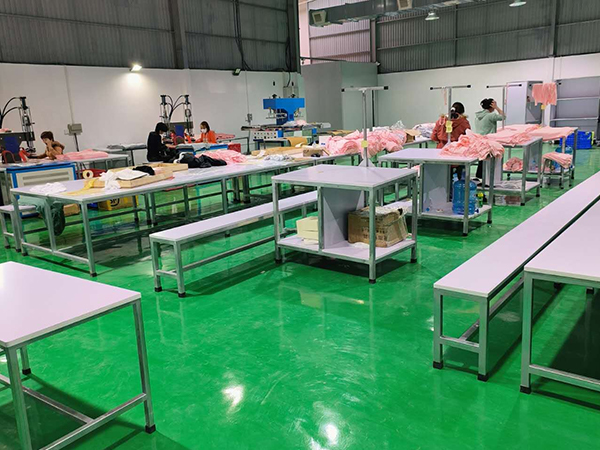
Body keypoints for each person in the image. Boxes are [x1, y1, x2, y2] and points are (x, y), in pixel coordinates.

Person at [475, 98, 506, 178]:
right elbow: (503, 117)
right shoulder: (491, 115)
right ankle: (487, 178)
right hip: (488, 141)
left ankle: (479, 176)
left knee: (482, 160)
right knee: (488, 161)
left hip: (479, 140)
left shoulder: (478, 116)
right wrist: (497, 108)